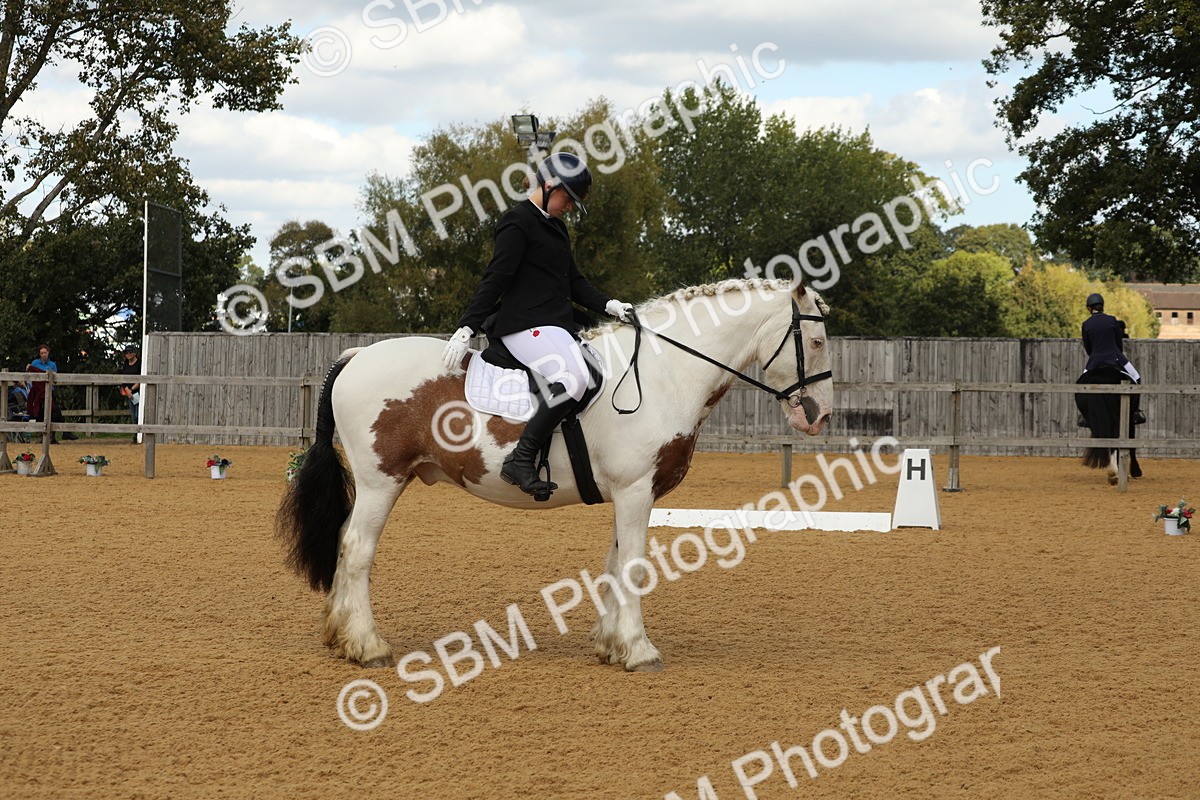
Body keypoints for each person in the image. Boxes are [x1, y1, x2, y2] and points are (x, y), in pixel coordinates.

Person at [441, 153, 633, 500]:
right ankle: (521, 458)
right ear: (549, 185)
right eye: (568, 199)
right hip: (522, 326)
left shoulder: (557, 228)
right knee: (573, 378)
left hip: (554, 327)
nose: (570, 207)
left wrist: (610, 305)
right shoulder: (517, 222)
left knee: (594, 370)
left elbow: (575, 283)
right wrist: (467, 328)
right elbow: (495, 279)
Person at [26, 343, 79, 442]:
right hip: (38, 393)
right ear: (39, 354)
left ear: (48, 353)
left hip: (49, 392)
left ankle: (54, 436)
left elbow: (55, 380)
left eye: (45, 353)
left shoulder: (52, 365)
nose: (44, 355)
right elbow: (30, 377)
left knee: (54, 412)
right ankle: (59, 434)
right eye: (42, 353)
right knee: (44, 413)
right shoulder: (35, 363)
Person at [1082, 293, 1139, 381]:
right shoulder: (1112, 320)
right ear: (1102, 306)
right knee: (1136, 377)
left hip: (1095, 360)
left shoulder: (1086, 324)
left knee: (1081, 383)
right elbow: (1118, 342)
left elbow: (1088, 347)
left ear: (1089, 308)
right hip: (1114, 357)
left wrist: (1095, 356)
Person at [119, 345, 142, 442]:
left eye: (130, 352)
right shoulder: (125, 365)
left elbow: (141, 378)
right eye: (126, 352)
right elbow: (123, 379)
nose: (128, 354)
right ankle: (134, 436)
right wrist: (127, 390)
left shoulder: (139, 364)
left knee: (138, 414)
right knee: (133, 416)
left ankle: (139, 434)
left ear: (135, 353)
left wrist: (131, 389)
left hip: (138, 392)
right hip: (130, 394)